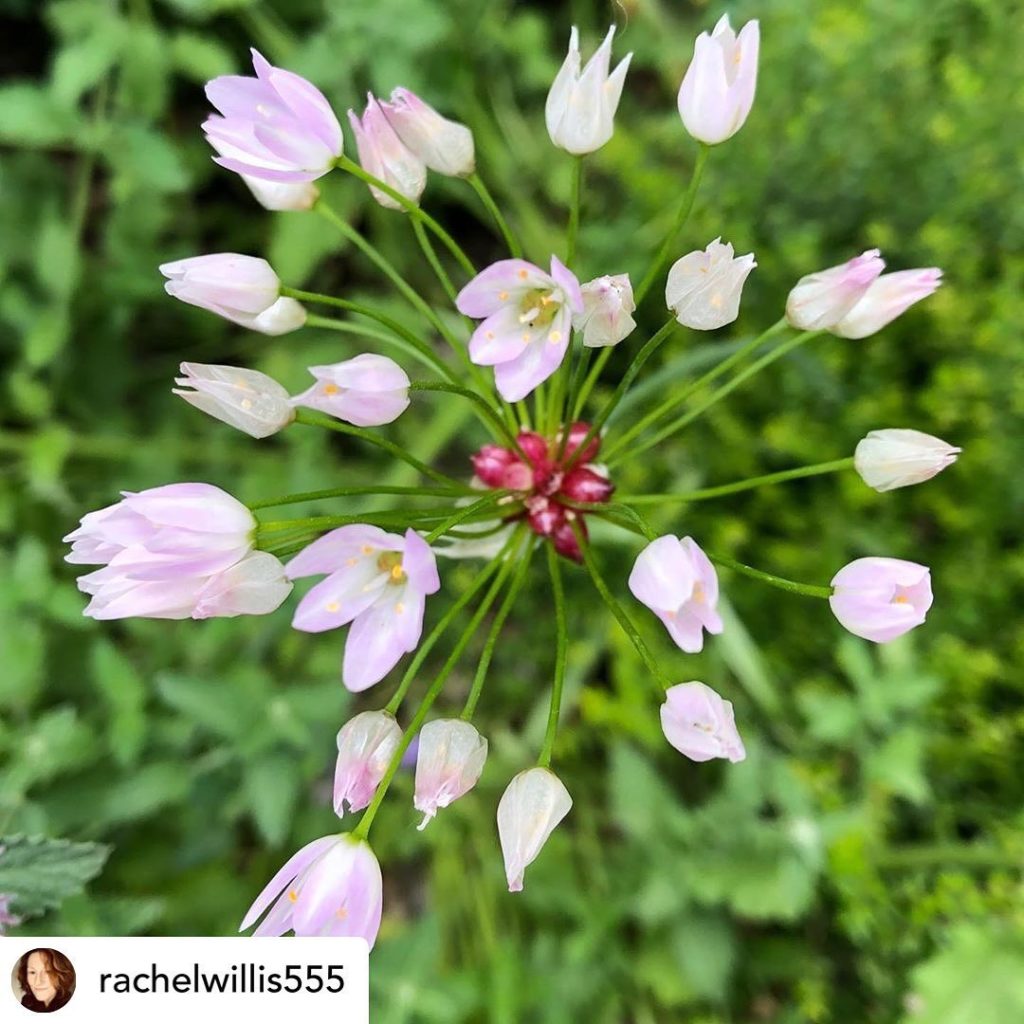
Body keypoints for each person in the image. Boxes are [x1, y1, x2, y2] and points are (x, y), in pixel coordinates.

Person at [16, 948, 75, 1013]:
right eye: (32, 972)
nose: (38, 982)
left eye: (48, 972)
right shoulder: (27, 1002)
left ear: (61, 974)